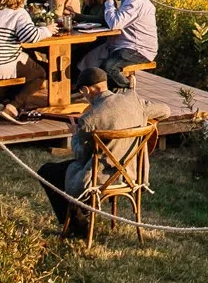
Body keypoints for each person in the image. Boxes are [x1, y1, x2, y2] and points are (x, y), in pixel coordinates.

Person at [38, 72, 152, 236]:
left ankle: (77, 227)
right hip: (132, 174)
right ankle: (82, 217)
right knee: (66, 171)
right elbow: (165, 110)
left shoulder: (90, 118)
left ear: (85, 89)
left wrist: (75, 136)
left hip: (102, 178)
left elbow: (81, 157)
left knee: (48, 172)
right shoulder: (133, 100)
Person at [75, 0, 156, 91]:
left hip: (138, 48)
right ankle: (83, 92)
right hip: (120, 44)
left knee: (109, 67)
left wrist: (108, 0)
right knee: (84, 58)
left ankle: (128, 89)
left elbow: (114, 23)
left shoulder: (135, 1)